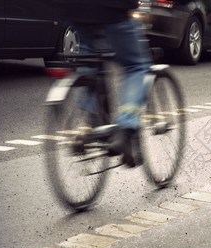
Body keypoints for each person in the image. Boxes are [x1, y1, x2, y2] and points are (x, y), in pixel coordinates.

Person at [52, 0, 152, 167]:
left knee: (91, 61)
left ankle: (91, 127)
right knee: (135, 66)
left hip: (74, 9)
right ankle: (125, 124)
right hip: (112, 9)